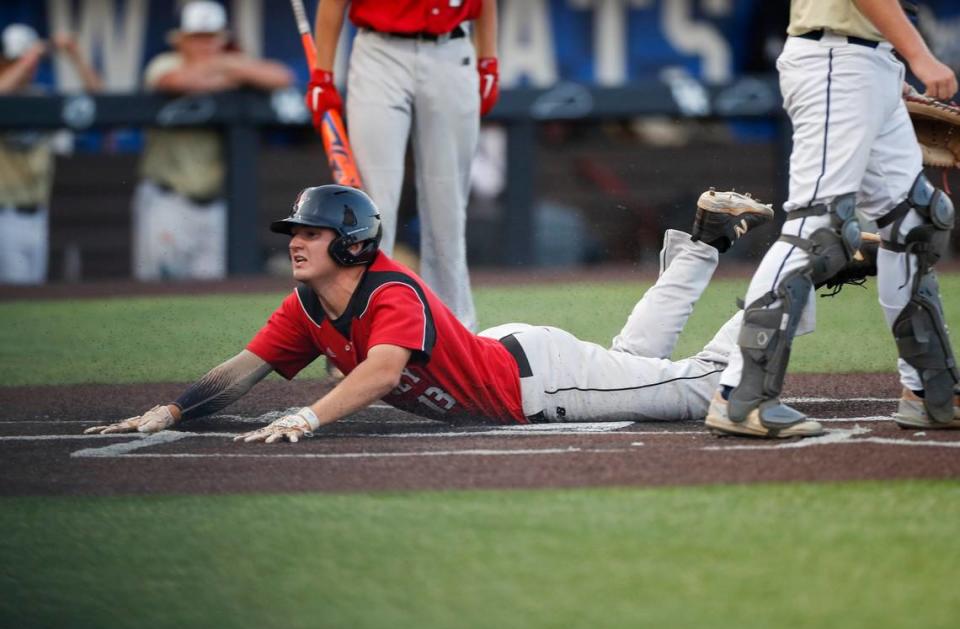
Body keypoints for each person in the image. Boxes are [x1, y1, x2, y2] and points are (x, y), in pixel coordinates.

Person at [85, 184, 872, 442]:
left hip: (535, 385)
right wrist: (169, 409)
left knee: (704, 388)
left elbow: (385, 369)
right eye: (297, 232)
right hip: (514, 356)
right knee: (633, 363)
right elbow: (241, 370)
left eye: (313, 233)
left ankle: (798, 267)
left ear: (353, 243)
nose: (298, 243)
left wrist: (310, 416)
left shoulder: (390, 291)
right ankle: (703, 243)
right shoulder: (309, 303)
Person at [703, 0, 960, 439]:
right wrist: (917, 54)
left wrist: (887, 65)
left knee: (915, 222)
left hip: (866, 58)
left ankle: (930, 391)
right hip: (835, 59)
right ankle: (740, 395)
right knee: (817, 230)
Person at [303, 0, 500, 331]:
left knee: (447, 208)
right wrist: (323, 73)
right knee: (371, 207)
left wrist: (488, 59)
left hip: (451, 50)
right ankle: (361, 330)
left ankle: (455, 334)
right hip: (380, 51)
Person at [132, 0, 293, 281]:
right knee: (155, 289)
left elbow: (282, 77)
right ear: (181, 40)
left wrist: (227, 65)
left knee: (209, 291)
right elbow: (174, 82)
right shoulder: (166, 62)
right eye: (197, 38)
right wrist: (227, 74)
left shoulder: (230, 67)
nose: (204, 46)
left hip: (214, 203)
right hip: (167, 198)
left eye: (211, 38)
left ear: (222, 39)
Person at [0, 23, 102, 284]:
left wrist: (75, 55)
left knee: (32, 298)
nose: (28, 68)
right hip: (4, 215)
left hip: (37, 215)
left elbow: (99, 98)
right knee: (15, 303)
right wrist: (32, 55)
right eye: (14, 60)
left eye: (31, 62)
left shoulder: (41, 98)